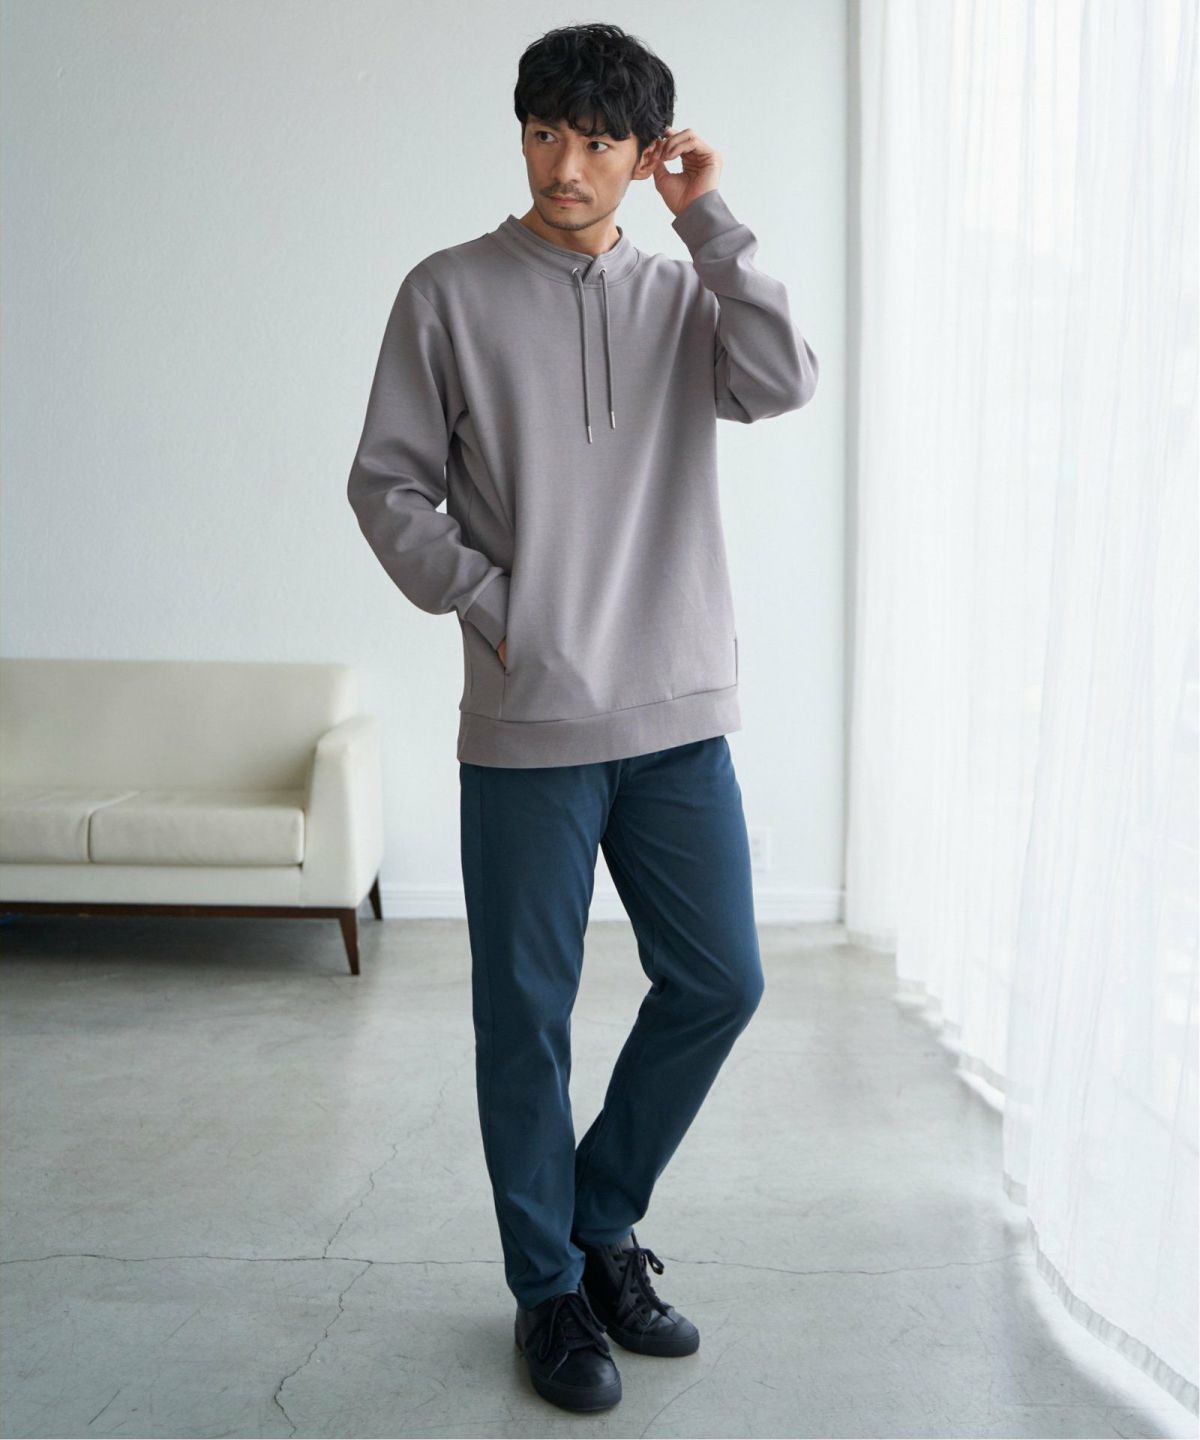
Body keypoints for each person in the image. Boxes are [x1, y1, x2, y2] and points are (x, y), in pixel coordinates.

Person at [346, 21, 818, 1415]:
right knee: (525, 1022)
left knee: (720, 981)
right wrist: (500, 607)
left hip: (676, 714)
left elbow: (784, 380)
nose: (566, 165)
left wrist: (709, 219)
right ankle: (548, 1291)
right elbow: (387, 485)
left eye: (600, 141)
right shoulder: (446, 292)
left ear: (644, 152)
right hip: (530, 723)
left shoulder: (684, 295)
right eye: (546, 133)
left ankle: (598, 1221)